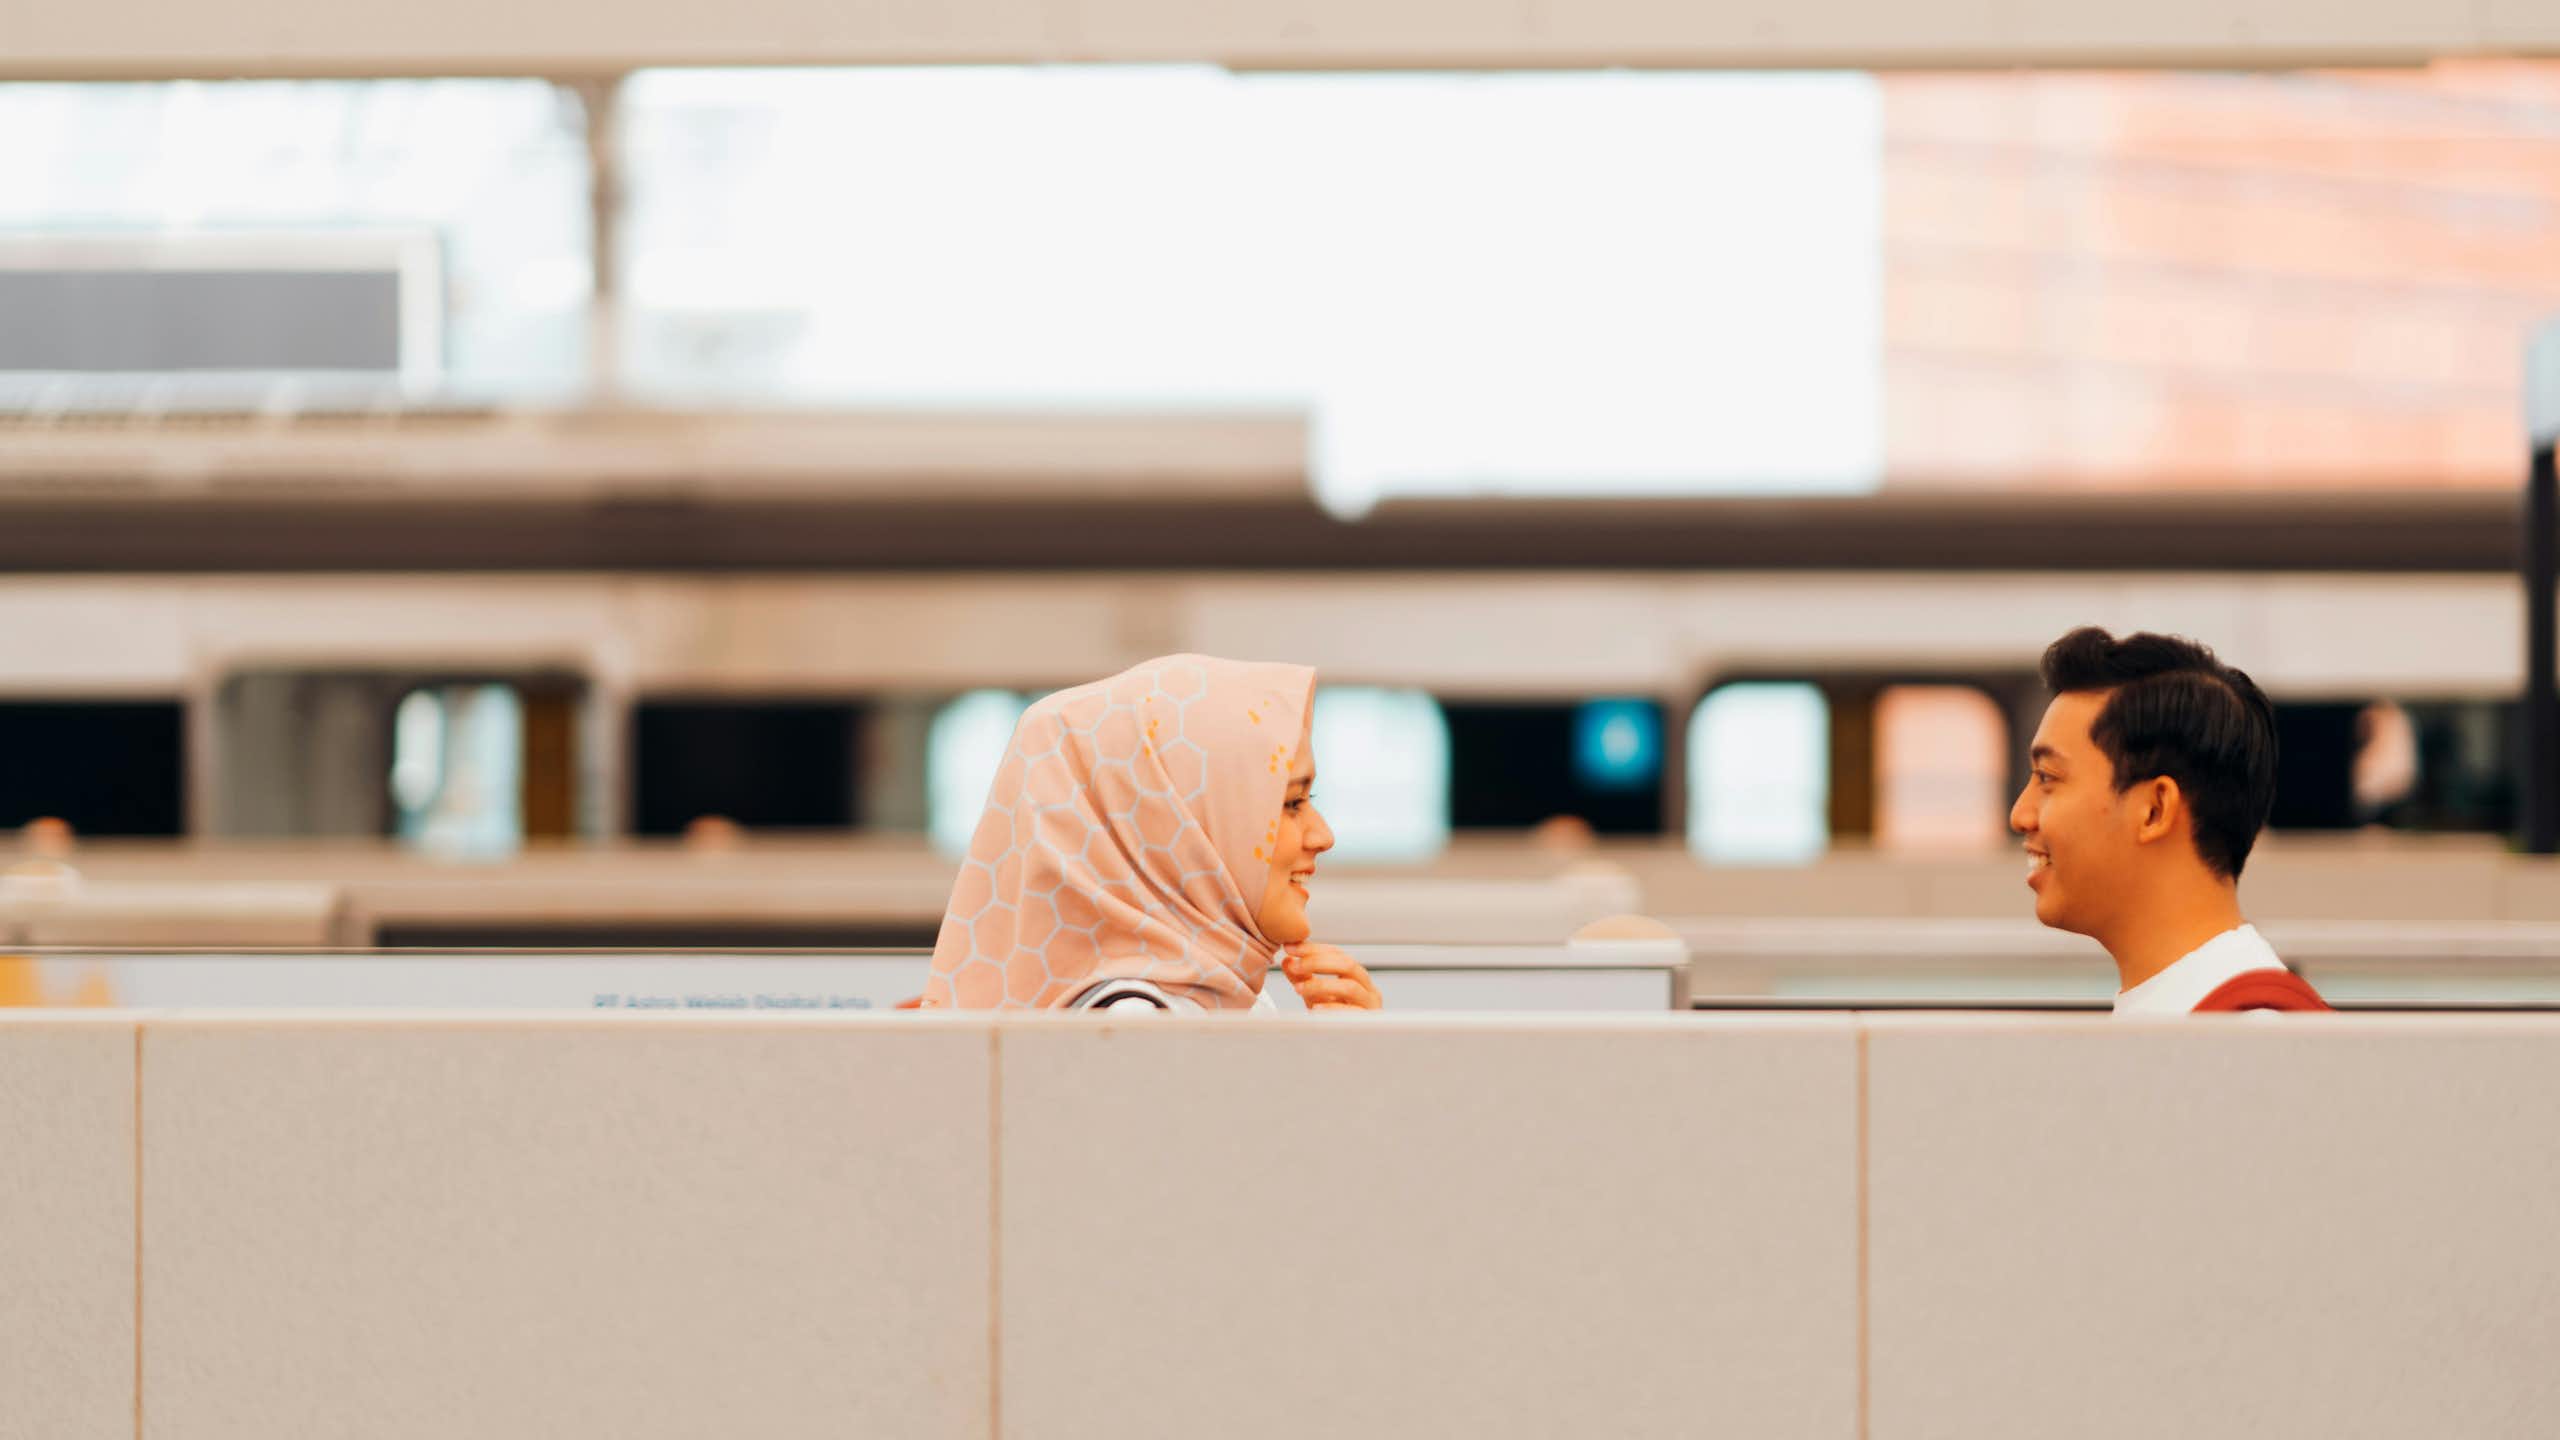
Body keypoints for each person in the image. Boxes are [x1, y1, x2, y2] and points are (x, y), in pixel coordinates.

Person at [919, 654, 1382, 1013]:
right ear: (1183, 830)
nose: (1322, 836)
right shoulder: (1131, 1025)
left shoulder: (1221, 1002)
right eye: (1291, 804)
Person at [2011, 627, 2330, 1015]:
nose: (2020, 815)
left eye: (2048, 778)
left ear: (2154, 810)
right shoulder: (2197, 1014)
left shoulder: (2249, 1039)